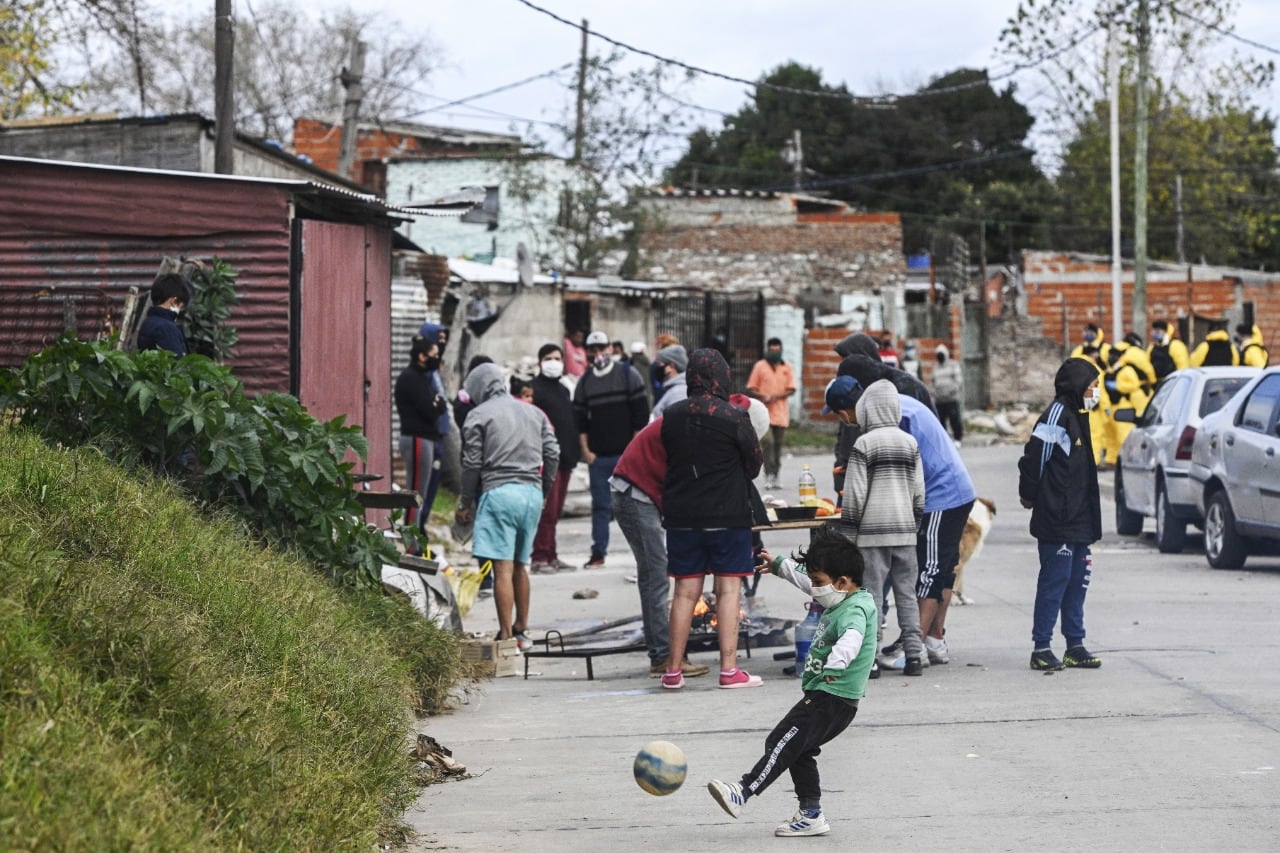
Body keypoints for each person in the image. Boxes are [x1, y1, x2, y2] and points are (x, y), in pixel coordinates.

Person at [706, 525, 876, 837]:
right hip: (828, 697)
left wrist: (836, 664)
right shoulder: (840, 595)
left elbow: (853, 638)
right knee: (799, 750)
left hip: (831, 697)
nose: (814, 587)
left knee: (780, 741)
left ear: (842, 582)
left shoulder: (856, 608)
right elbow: (808, 583)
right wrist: (781, 566)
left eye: (819, 582)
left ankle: (742, 792)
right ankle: (811, 814)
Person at [659, 348, 763, 689]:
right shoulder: (734, 416)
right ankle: (729, 669)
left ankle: (673, 670)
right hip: (727, 516)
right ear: (722, 376)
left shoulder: (671, 415)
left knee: (685, 592)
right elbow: (754, 466)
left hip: (682, 516)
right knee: (728, 589)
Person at [825, 377, 925, 677]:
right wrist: (913, 525)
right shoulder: (910, 443)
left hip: (871, 536)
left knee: (871, 598)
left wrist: (849, 536)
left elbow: (854, 494)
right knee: (907, 594)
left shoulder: (863, 444)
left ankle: (869, 660)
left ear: (866, 409)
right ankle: (915, 655)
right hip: (905, 533)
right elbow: (919, 492)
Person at [456, 363, 559, 651]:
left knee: (502, 568)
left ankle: (506, 636)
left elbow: (471, 464)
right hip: (531, 495)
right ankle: (523, 630)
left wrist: (465, 502)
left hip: (499, 493)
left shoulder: (477, 415)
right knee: (521, 566)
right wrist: (545, 490)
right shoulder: (534, 412)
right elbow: (553, 453)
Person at [1017, 357, 1104, 671]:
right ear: (1078, 385)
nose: (1096, 392)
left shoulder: (1081, 416)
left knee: (1077, 581)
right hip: (1058, 519)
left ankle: (1075, 645)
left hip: (1081, 519)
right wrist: (1029, 495)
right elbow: (1034, 461)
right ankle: (1041, 647)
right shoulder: (1057, 414)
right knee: (1055, 581)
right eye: (1093, 386)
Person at [610, 416, 711, 679]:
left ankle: (665, 652)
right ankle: (662, 657)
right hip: (635, 494)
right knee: (655, 575)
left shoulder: (704, 418)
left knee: (655, 574)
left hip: (640, 492)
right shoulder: (697, 423)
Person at [572, 330, 649, 568]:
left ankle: (645, 554)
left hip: (626, 456)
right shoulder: (585, 382)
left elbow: (640, 415)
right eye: (592, 350)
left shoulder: (628, 375)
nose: (598, 354)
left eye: (601, 348)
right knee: (601, 507)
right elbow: (580, 421)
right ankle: (598, 553)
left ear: (610, 348)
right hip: (599, 457)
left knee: (637, 506)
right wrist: (586, 451)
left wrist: (634, 450)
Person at [529, 344, 581, 575]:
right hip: (547, 460)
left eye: (557, 358)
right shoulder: (534, 389)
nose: (553, 362)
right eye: (548, 358)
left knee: (556, 511)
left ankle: (551, 554)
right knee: (547, 512)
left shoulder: (563, 389)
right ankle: (539, 557)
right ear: (540, 362)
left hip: (566, 459)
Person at [395, 335, 448, 551]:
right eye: (434, 355)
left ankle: (414, 541)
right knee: (414, 493)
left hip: (425, 439)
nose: (437, 359)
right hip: (416, 438)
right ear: (422, 356)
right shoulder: (411, 378)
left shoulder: (422, 378)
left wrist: (438, 405)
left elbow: (440, 405)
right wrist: (436, 406)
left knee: (421, 494)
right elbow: (430, 409)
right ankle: (409, 544)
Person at [746, 338, 797, 490]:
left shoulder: (786, 366)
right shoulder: (760, 366)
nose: (775, 353)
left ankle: (776, 475)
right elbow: (751, 387)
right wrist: (763, 396)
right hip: (764, 413)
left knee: (778, 446)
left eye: (777, 350)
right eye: (772, 350)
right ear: (767, 349)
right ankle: (768, 474)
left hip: (780, 413)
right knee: (768, 443)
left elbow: (792, 388)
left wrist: (777, 396)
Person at [137, 272, 192, 355]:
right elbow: (177, 363)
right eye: (181, 307)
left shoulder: (147, 322)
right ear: (174, 301)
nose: (180, 311)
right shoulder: (167, 328)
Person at [931, 344, 964, 445]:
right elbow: (933, 382)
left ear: (946, 354)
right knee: (941, 421)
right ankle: (945, 441)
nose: (940, 356)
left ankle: (958, 439)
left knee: (955, 420)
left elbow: (959, 381)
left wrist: (951, 391)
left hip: (951, 399)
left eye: (941, 354)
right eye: (938, 354)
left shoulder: (953, 365)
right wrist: (934, 393)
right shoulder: (936, 367)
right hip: (939, 400)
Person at [648, 344, 688, 419]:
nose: (657, 368)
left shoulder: (678, 393)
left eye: (660, 364)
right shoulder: (675, 389)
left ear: (671, 366)